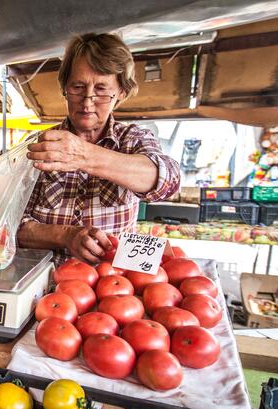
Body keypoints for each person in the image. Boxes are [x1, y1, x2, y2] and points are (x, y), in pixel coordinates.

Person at [17, 33, 180, 265]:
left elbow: (168, 182)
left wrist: (84, 155)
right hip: (44, 285)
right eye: (78, 87)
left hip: (114, 288)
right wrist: (65, 236)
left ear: (121, 93)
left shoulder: (133, 140)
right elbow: (12, 226)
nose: (87, 101)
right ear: (65, 88)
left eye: (102, 89)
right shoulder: (41, 144)